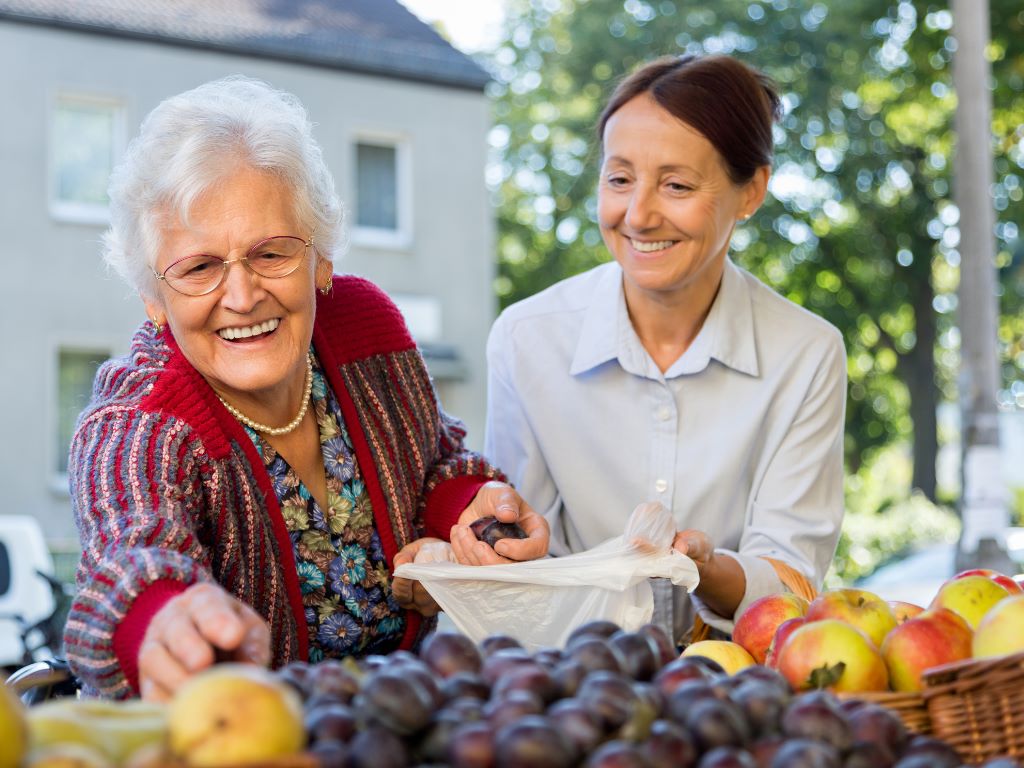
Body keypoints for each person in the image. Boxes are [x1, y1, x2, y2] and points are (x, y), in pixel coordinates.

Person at [65, 76, 549, 700]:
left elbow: (435, 458)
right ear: (153, 298)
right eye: (200, 267)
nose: (241, 297)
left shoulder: (363, 328)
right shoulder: (137, 422)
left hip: (404, 724)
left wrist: (470, 513)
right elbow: (129, 557)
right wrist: (162, 620)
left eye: (271, 254)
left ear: (321, 258)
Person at [484, 54, 846, 644]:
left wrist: (705, 570)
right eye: (620, 179)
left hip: (732, 692)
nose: (639, 215)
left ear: (751, 190)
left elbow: (793, 581)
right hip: (567, 684)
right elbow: (521, 563)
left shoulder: (806, 354)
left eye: (676, 185)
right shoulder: (527, 340)